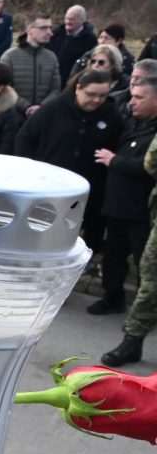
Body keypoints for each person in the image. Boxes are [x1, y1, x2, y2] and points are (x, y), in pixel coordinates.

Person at [13, 69, 122, 254]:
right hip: (51, 184)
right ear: (78, 88)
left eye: (102, 96)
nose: (96, 100)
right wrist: (29, 169)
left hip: (91, 185)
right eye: (91, 94)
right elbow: (25, 138)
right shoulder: (54, 108)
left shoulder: (110, 114)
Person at [88, 76, 157, 317]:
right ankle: (112, 297)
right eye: (132, 97)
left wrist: (115, 161)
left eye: (139, 98)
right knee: (114, 256)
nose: (132, 103)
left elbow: (148, 167)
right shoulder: (131, 122)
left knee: (142, 262)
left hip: (142, 209)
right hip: (117, 203)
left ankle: (143, 312)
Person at [1, 14, 61, 116]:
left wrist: (42, 107)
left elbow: (56, 89)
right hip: (14, 118)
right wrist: (26, 107)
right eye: (43, 28)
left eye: (50, 28)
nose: (50, 33)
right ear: (29, 30)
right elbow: (4, 88)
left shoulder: (51, 57)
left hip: (43, 117)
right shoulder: (9, 56)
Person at [50, 5, 96, 86]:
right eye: (66, 18)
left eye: (72, 19)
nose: (67, 22)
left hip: (73, 83)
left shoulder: (90, 40)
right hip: (52, 80)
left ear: (82, 20)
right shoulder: (55, 34)